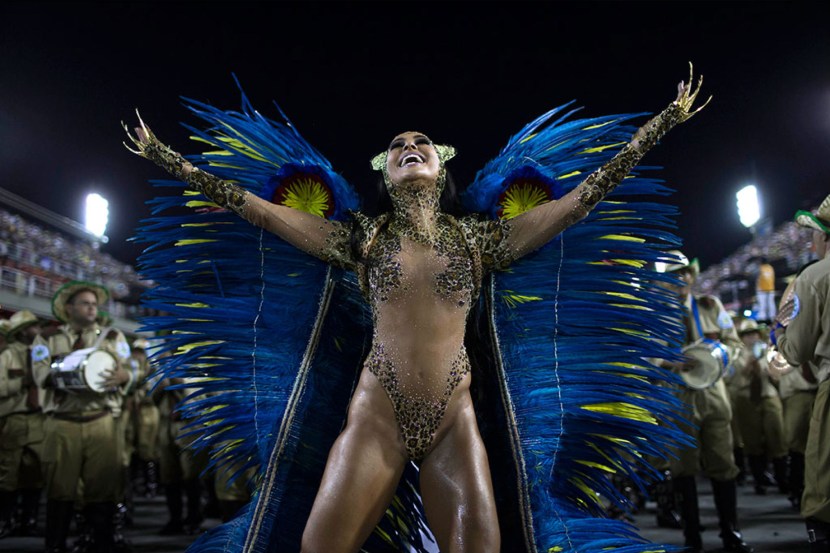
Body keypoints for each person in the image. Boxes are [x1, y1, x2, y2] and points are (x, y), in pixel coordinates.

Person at [125, 70, 707, 553]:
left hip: (455, 419)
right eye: (398, 145)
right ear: (385, 170)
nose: (410, 147)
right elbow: (256, 210)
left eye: (421, 142)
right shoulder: (361, 239)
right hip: (377, 417)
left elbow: (579, 202)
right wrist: (168, 159)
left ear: (441, 165)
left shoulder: (483, 240)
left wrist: (660, 126)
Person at [656, 250, 753, 553]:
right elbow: (641, 357)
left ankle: (731, 533)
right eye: (673, 274)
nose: (681, 278)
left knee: (724, 464)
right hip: (678, 397)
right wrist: (668, 360)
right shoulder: (654, 316)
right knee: (684, 469)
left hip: (713, 395)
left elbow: (735, 345)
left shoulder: (711, 307)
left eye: (685, 272)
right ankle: (691, 538)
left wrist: (720, 361)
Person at [34, 281, 134, 553]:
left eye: (94, 304)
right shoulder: (47, 337)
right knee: (60, 489)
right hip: (62, 422)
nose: (92, 308)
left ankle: (99, 543)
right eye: (85, 303)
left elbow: (131, 370)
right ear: (69, 308)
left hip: (101, 420)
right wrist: (69, 369)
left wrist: (127, 376)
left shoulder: (113, 337)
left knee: (102, 488)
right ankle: (56, 545)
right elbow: (40, 375)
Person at [771, 193, 830, 552]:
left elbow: (797, 350)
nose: (812, 241)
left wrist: (779, 333)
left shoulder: (815, 276)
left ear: (826, 237)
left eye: (815, 234)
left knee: (823, 498)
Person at [0, 310, 48, 538]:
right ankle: (5, 520)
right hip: (14, 418)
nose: (36, 330)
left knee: (35, 471)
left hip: (38, 418)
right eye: (32, 327)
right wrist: (22, 381)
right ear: (21, 331)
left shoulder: (41, 356)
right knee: (8, 471)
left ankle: (27, 520)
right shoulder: (8, 355)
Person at [731, 318, 787, 496]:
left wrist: (764, 363)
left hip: (767, 395)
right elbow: (735, 377)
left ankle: (783, 480)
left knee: (777, 436)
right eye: (747, 334)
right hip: (746, 398)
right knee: (752, 441)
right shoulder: (736, 354)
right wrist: (748, 367)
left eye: (754, 333)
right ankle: (759, 479)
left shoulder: (767, 350)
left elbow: (777, 374)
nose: (751, 337)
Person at [755, 257, 777, 323]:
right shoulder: (770, 268)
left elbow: (756, 278)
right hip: (771, 288)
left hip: (762, 289)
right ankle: (772, 317)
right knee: (771, 304)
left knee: (762, 305)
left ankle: (762, 319)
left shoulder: (760, 268)